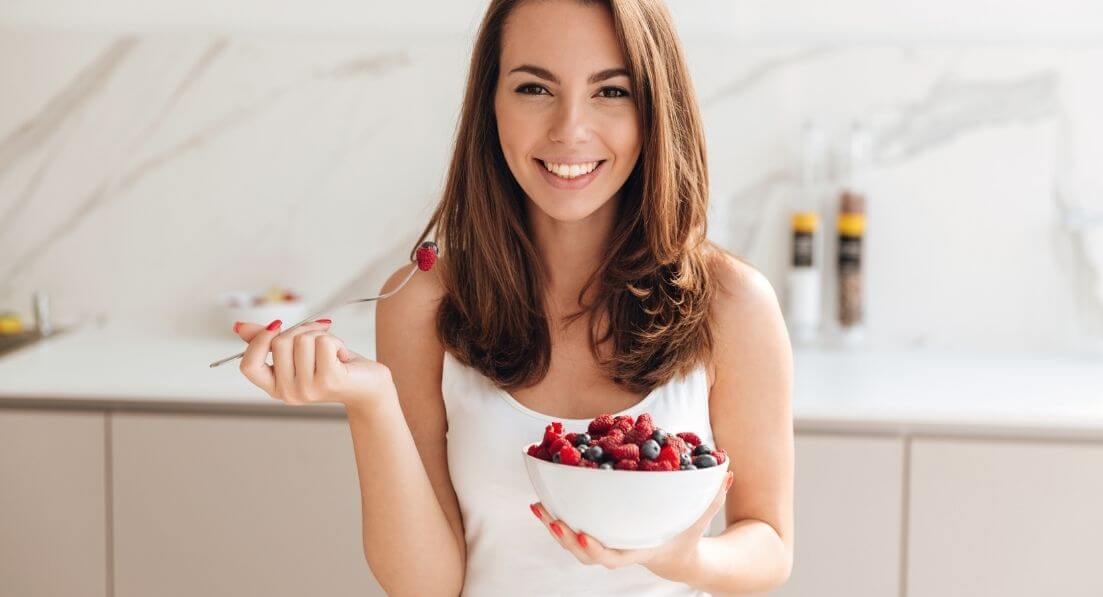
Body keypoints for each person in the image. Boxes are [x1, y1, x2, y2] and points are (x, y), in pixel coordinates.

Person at [233, 0, 794, 594]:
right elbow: (425, 587)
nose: (569, 129)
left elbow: (770, 545)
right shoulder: (421, 302)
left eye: (611, 92)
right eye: (534, 88)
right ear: (490, 106)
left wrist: (684, 560)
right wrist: (371, 404)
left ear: (656, 109)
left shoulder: (732, 303)